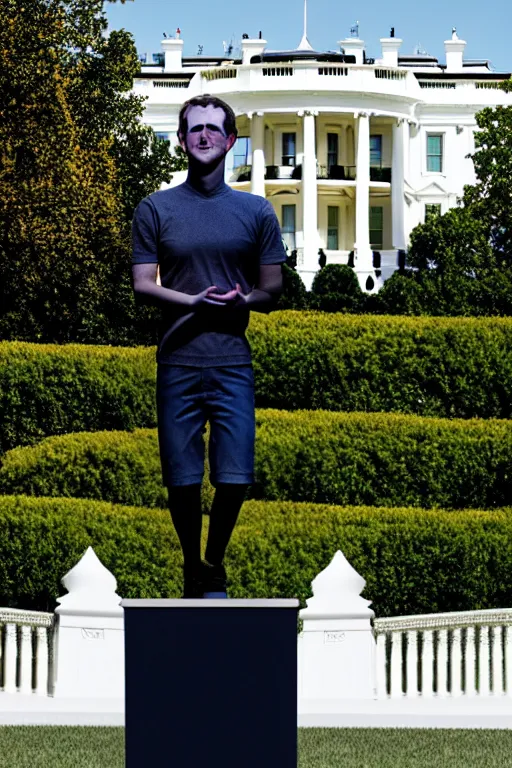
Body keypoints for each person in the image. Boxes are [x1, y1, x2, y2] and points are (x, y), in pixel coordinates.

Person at [131, 95, 286, 599]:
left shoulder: (256, 211)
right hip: (177, 360)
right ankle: (190, 563)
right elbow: (142, 284)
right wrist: (194, 301)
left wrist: (244, 299)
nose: (203, 136)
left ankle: (212, 562)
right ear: (181, 140)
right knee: (180, 480)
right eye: (194, 129)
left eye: (213, 130)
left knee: (235, 476)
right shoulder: (155, 208)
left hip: (232, 362)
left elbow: (271, 290)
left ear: (230, 142)